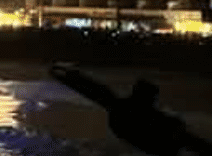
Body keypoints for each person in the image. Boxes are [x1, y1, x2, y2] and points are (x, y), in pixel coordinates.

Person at [50, 64, 211, 156]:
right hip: (152, 139)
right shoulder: (136, 113)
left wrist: (67, 76)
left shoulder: (123, 109)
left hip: (141, 135)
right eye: (152, 97)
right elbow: (95, 90)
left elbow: (95, 91)